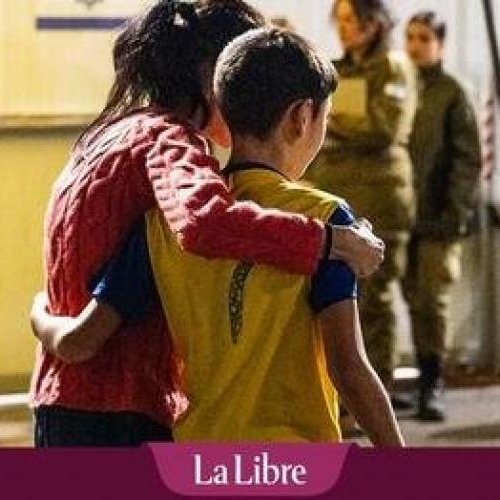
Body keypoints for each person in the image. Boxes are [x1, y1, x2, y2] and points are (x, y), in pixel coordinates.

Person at [30, 0, 384, 447]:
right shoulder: (169, 143)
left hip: (62, 397)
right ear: (213, 74)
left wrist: (42, 319)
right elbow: (204, 222)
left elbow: (82, 334)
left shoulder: (107, 139)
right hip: (121, 408)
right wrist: (329, 240)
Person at [304, 0, 416, 400]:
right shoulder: (334, 69)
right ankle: (342, 397)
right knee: (335, 300)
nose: (345, 28)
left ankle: (376, 393)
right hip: (336, 194)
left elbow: (384, 127)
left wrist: (331, 122)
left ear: (374, 22)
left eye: (352, 19)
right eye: (340, 20)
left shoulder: (393, 67)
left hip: (380, 196)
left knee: (374, 298)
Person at [404, 11, 481, 421]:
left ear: (440, 44)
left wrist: (455, 213)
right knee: (410, 298)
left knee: (432, 301)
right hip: (404, 216)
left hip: (440, 216)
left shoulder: (452, 92)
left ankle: (432, 382)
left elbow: (468, 159)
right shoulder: (399, 86)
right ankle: (411, 383)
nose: (415, 45)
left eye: (424, 38)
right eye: (411, 37)